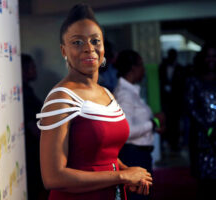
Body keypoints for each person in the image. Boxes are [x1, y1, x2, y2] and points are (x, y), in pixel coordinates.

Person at [36, 4, 152, 200]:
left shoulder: (107, 93)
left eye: (95, 41)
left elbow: (104, 154)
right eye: (77, 42)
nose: (89, 48)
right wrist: (121, 176)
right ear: (64, 50)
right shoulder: (61, 98)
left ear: (103, 47)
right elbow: (53, 177)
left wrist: (129, 172)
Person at [113, 50, 165, 200]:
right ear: (133, 68)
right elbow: (126, 131)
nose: (144, 69)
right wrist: (153, 124)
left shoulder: (131, 91)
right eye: (141, 65)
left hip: (139, 154)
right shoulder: (124, 94)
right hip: (133, 155)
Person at [185, 41, 216, 199]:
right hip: (203, 138)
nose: (211, 59)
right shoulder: (194, 81)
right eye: (208, 56)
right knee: (206, 184)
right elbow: (191, 108)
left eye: (214, 56)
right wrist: (208, 128)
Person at [21, 53, 49, 200]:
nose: (35, 70)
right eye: (32, 67)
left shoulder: (28, 91)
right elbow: (33, 126)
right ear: (23, 70)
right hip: (31, 153)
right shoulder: (23, 94)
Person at [159, 48, 185, 152]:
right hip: (165, 100)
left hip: (176, 100)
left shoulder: (179, 68)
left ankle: (175, 144)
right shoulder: (163, 66)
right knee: (166, 121)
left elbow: (182, 85)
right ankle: (167, 143)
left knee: (175, 123)